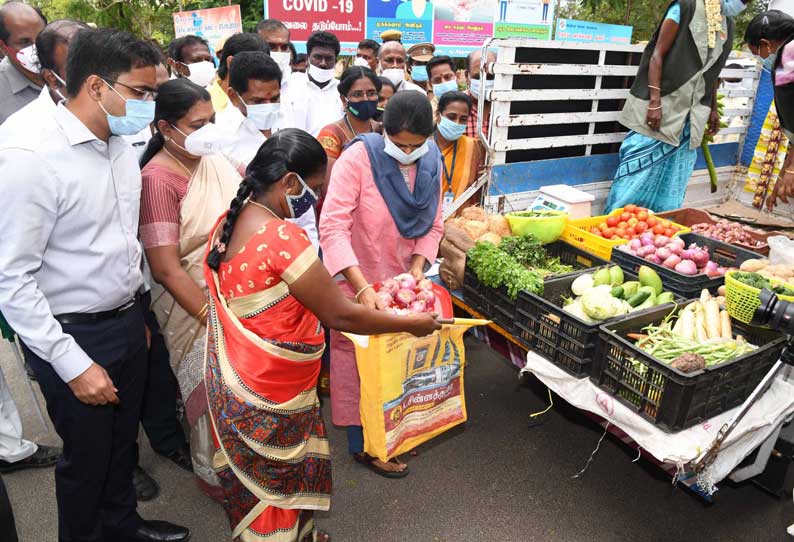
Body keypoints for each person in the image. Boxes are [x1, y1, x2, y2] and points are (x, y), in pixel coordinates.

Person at [204, 128, 440, 542]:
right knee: (276, 486)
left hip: (238, 380)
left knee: (270, 479)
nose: (314, 200)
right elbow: (340, 315)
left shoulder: (231, 219)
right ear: (289, 183)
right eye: (313, 189)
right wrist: (410, 323)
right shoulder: (281, 238)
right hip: (271, 391)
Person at [0, 27, 189, 542]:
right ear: (97, 86)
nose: (150, 104)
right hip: (71, 335)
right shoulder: (30, 156)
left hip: (126, 321)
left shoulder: (119, 144)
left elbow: (120, 241)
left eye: (155, 91)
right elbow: (11, 278)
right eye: (142, 92)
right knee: (86, 462)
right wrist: (72, 363)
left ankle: (124, 528)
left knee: (120, 446)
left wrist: (137, 316)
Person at [319, 91, 443, 478]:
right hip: (358, 279)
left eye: (415, 146)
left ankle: (396, 431)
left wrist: (419, 268)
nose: (407, 152)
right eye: (399, 145)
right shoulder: (358, 158)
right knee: (358, 365)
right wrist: (361, 288)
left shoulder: (432, 159)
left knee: (398, 361)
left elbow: (434, 223)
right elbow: (333, 227)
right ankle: (364, 444)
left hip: (404, 283)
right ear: (383, 130)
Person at [138, 78, 242, 502]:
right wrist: (213, 317)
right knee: (211, 395)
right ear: (166, 128)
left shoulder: (215, 160)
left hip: (237, 296)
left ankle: (251, 467)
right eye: (198, 124)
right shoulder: (157, 180)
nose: (209, 131)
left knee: (243, 391)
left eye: (212, 120)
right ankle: (220, 479)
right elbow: (165, 268)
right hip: (192, 306)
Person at [604, 0, 751, 213]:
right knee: (636, 174)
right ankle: (614, 222)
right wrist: (655, 102)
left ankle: (660, 228)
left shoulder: (727, 23)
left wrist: (711, 108)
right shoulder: (684, 7)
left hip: (691, 118)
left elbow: (712, 72)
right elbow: (657, 54)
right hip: (661, 108)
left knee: (675, 179)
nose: (741, 4)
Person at [216, 51, 320, 248]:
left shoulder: (290, 120)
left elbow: (303, 193)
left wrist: (311, 249)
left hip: (298, 246)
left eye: (274, 98)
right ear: (234, 96)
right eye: (258, 101)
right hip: (250, 250)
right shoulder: (220, 137)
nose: (269, 106)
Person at [745, 10, 794, 209]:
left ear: (767, 43)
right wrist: (784, 175)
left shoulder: (788, 58)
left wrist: (791, 172)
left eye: (758, 53)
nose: (761, 59)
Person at [317, 66, 382, 171]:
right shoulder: (331, 134)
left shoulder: (381, 130)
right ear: (344, 99)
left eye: (371, 93)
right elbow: (329, 181)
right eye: (357, 94)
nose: (365, 99)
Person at [284, 31, 343, 136]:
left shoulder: (342, 90)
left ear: (336, 60)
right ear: (308, 58)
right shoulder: (291, 86)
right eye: (318, 57)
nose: (323, 63)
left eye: (329, 58)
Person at [434, 91, 485, 212]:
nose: (457, 123)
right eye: (451, 117)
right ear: (438, 115)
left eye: (463, 119)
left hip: (463, 223)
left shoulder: (473, 147)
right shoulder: (422, 146)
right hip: (427, 222)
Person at [0, 2, 46, 124]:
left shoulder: (69, 71)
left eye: (42, 36)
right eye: (25, 42)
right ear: (3, 47)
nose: (37, 48)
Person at [208, 32, 269, 114]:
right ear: (231, 63)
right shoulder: (201, 104)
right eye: (254, 64)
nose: (261, 72)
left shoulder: (268, 103)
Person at [465, 49, 496, 139]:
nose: (484, 82)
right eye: (478, 77)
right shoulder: (454, 108)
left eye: (490, 77)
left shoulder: (508, 108)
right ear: (467, 76)